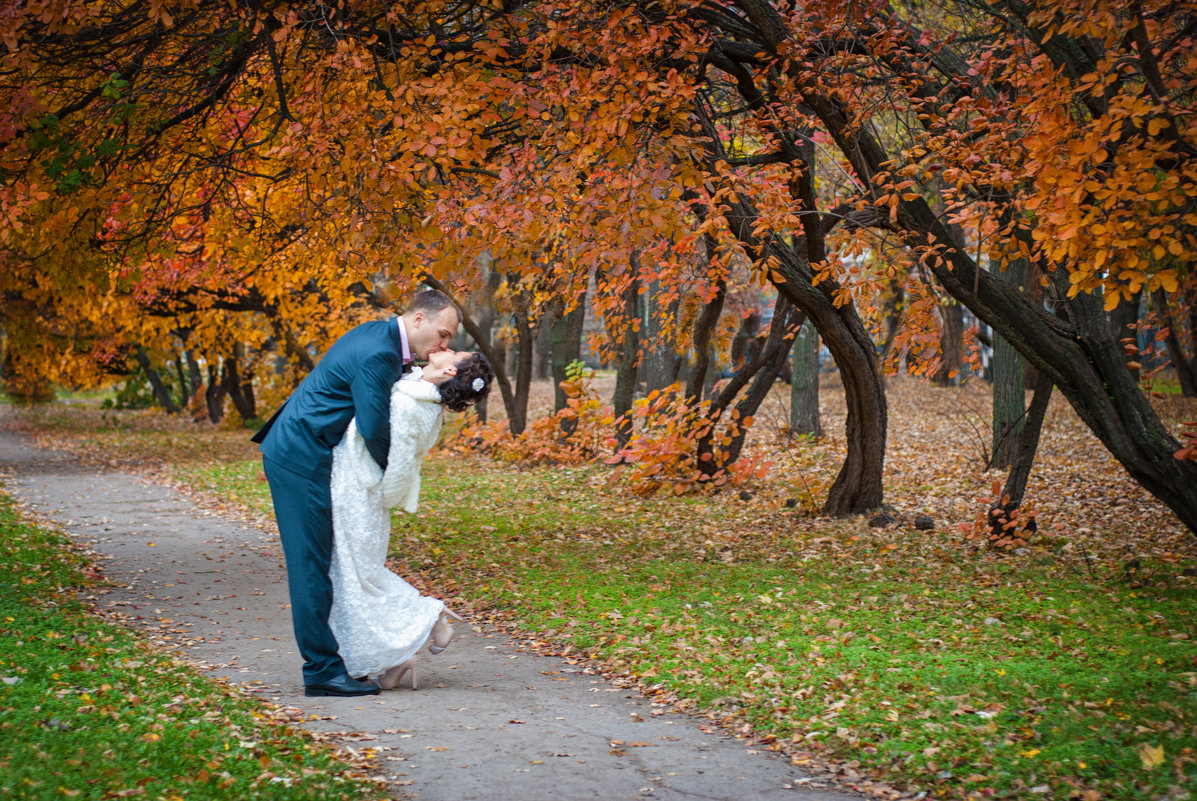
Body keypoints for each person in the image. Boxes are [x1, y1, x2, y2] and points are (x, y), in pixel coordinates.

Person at [251, 290, 460, 697]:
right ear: (419, 319)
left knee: (322, 562)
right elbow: (374, 427)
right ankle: (322, 672)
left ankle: (344, 661)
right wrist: (390, 478)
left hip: (304, 451)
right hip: (300, 456)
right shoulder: (380, 353)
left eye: (448, 340)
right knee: (312, 566)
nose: (444, 345)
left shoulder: (379, 338)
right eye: (443, 334)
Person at [328, 348, 493, 690]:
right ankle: (396, 657)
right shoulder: (419, 390)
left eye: (452, 349)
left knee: (357, 575)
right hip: (357, 483)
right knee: (356, 573)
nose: (444, 346)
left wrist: (377, 500)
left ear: (449, 369)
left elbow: (400, 464)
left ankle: (429, 617)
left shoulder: (411, 403)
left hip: (360, 489)